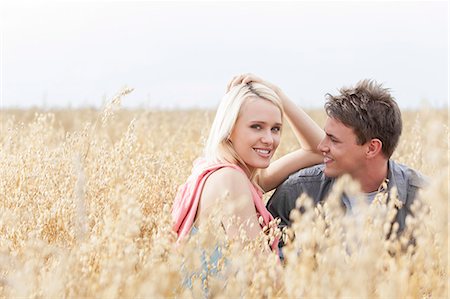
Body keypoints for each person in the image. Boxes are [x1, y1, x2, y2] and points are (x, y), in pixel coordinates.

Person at [171, 74, 324, 251]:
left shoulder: (238, 177)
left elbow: (320, 151)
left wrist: (277, 93)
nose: (269, 139)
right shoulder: (230, 179)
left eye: (275, 129)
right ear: (229, 129)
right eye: (256, 127)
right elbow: (262, 272)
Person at [266, 79, 426, 243]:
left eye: (333, 140)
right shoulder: (298, 192)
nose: (321, 147)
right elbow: (269, 257)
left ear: (372, 148)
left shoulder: (425, 198)